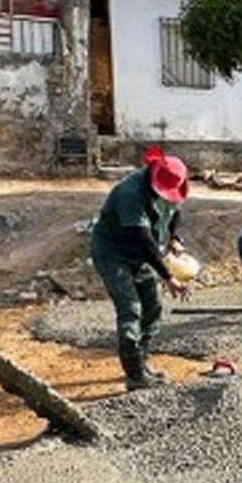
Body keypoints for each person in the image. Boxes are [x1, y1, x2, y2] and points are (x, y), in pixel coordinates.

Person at [91, 147, 190, 391]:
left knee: (153, 306)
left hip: (141, 256)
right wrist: (167, 276)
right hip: (114, 254)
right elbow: (143, 239)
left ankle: (142, 361)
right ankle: (134, 376)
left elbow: (174, 211)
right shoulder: (130, 194)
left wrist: (175, 237)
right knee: (130, 309)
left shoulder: (170, 187)